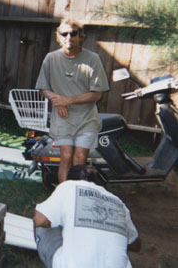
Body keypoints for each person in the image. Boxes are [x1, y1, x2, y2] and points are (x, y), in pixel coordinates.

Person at [35, 18, 110, 183]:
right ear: (58, 37)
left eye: (73, 33)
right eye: (64, 34)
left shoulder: (93, 59)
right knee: (66, 156)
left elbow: (97, 94)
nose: (69, 37)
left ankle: (78, 195)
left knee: (80, 158)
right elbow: (43, 88)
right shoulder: (50, 58)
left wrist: (68, 100)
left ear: (81, 36)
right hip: (62, 118)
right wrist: (57, 100)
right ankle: (64, 195)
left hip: (86, 119)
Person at [33, 165, 140, 268]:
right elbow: (135, 245)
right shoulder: (119, 202)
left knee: (43, 222)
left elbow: (39, 220)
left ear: (71, 179)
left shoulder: (69, 186)